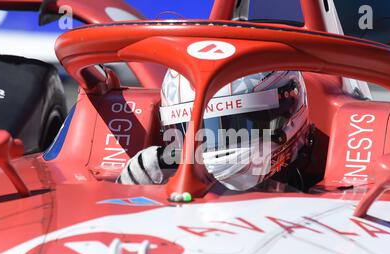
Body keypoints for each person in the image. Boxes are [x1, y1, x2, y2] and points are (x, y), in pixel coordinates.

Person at [117, 69, 313, 192]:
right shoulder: (153, 172)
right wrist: (132, 190)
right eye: (188, 130)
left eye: (235, 124)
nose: (207, 147)